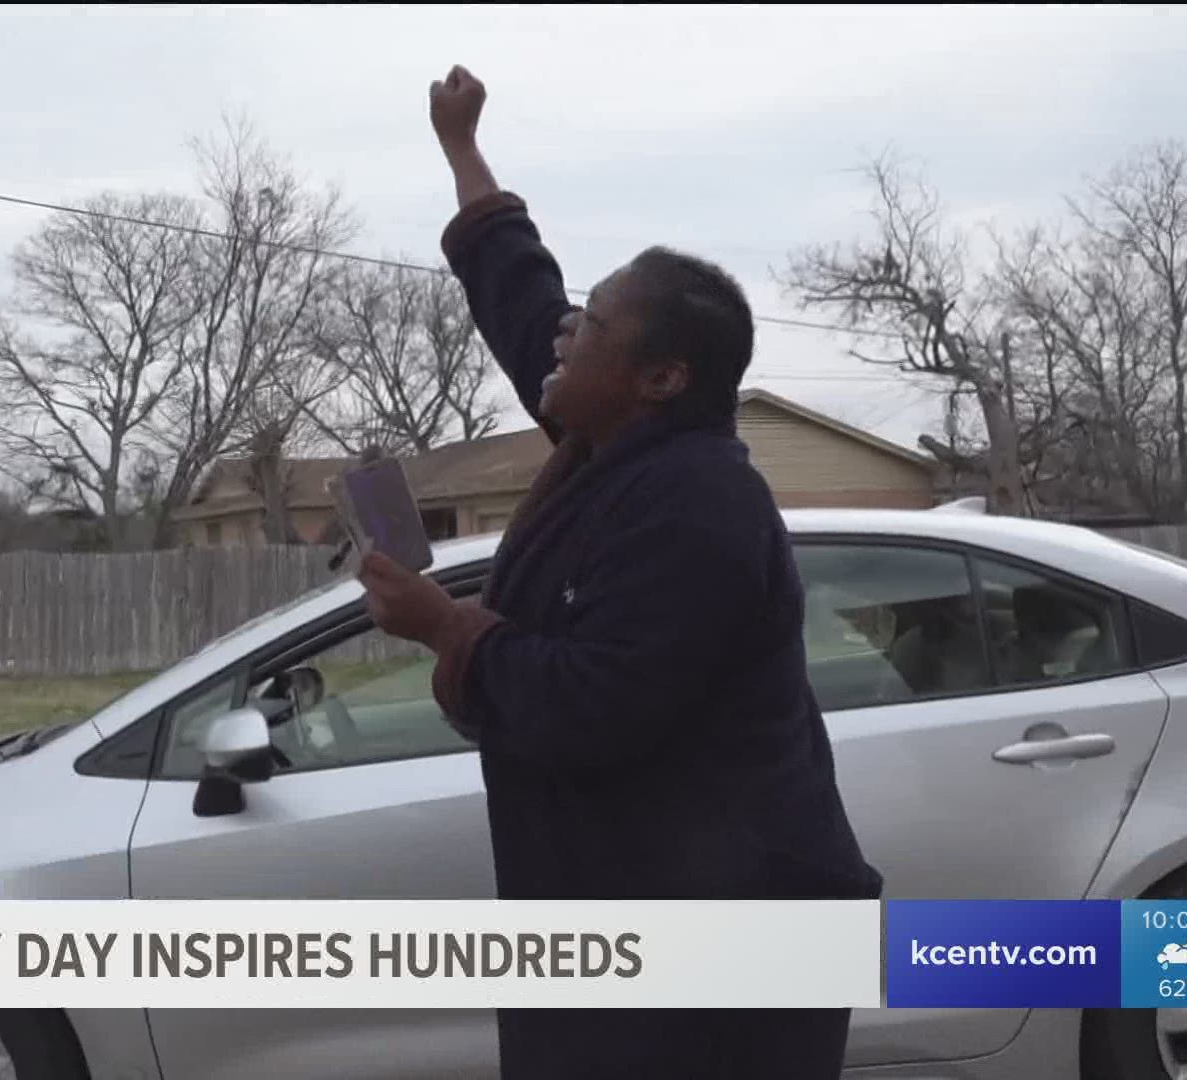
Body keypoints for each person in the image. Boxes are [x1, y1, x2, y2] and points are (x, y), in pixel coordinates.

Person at [355, 66, 884, 1080]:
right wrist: (463, 149)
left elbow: (591, 705)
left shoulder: (698, 506)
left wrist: (444, 627)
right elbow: (520, 295)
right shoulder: (612, 442)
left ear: (660, 379)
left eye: (590, 327)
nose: (563, 333)